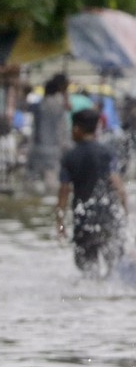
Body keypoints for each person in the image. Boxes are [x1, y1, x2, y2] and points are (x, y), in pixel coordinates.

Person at [56, 107, 129, 278]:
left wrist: (60, 224)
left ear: (76, 129)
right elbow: (119, 187)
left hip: (84, 223)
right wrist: (125, 216)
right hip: (108, 220)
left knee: (89, 275)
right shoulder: (107, 152)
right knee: (114, 271)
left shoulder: (70, 157)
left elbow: (63, 194)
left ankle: (90, 304)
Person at [29, 74, 72, 193]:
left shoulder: (39, 105)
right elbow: (63, 130)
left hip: (36, 148)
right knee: (51, 184)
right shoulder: (58, 106)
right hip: (53, 149)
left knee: (34, 183)